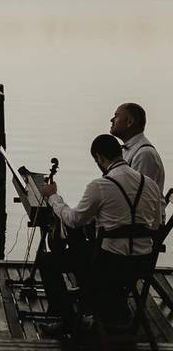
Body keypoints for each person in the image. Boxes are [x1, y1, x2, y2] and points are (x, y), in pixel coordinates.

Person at [37, 134, 164, 336]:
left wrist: (54, 198)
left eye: (97, 161)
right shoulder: (151, 185)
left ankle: (69, 320)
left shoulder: (100, 185)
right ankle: (100, 304)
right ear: (120, 153)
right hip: (142, 263)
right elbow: (156, 224)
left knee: (48, 262)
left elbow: (73, 219)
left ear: (100, 158)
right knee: (83, 251)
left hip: (108, 264)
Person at [111, 102, 165, 193]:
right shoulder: (129, 149)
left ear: (130, 122)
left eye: (116, 116)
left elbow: (140, 197)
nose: (111, 120)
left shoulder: (144, 154)